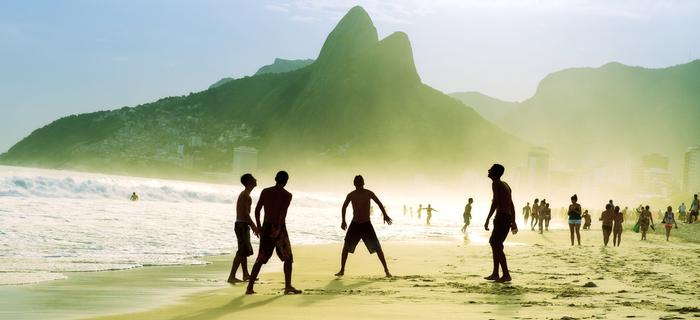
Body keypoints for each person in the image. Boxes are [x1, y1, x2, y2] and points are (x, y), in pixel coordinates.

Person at [246, 171, 301, 295]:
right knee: (288, 258)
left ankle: (249, 288)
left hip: (266, 228)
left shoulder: (266, 191)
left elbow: (257, 210)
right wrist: (278, 229)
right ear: (286, 181)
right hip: (279, 228)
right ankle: (288, 286)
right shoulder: (287, 195)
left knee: (260, 258)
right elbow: (282, 214)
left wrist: (259, 226)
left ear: (275, 178)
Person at [336, 175, 393, 278]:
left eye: (360, 183)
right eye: (357, 183)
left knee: (378, 248)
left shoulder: (368, 193)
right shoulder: (351, 195)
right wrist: (343, 220)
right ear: (355, 184)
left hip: (366, 225)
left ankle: (386, 270)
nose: (358, 185)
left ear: (363, 183)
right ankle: (342, 270)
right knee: (346, 247)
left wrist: (385, 215)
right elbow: (344, 207)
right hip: (355, 224)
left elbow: (379, 203)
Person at [483, 164, 518, 283]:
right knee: (496, 245)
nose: (488, 170)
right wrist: (513, 221)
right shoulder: (506, 185)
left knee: (495, 243)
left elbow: (496, 202)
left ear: (495, 173)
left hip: (502, 217)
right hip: (506, 217)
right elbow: (511, 204)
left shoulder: (496, 183)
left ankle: (506, 274)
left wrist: (487, 218)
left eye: (491, 169)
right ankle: (495, 273)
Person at [227, 173, 259, 283]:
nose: (256, 179)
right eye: (253, 178)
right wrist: (254, 226)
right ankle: (232, 276)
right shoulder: (245, 195)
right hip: (241, 225)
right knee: (242, 251)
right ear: (249, 182)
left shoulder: (246, 194)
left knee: (244, 250)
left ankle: (246, 274)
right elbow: (245, 214)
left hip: (242, 225)